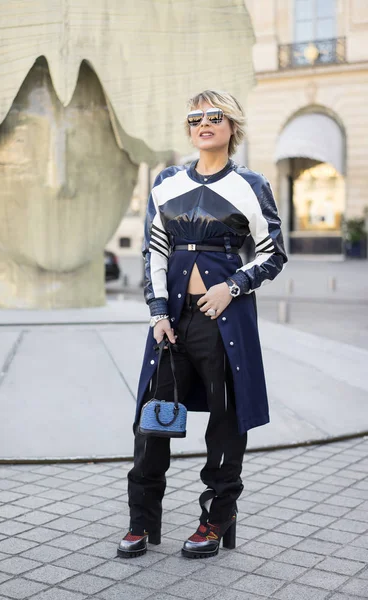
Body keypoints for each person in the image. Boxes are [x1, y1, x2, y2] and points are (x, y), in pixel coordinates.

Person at [117, 90, 287, 559]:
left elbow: (273, 254)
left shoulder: (251, 184)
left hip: (224, 323)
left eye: (215, 117)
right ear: (188, 128)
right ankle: (140, 521)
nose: (204, 124)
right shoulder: (167, 181)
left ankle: (215, 520)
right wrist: (157, 314)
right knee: (152, 425)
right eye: (195, 118)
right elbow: (154, 252)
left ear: (232, 126)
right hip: (173, 323)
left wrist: (231, 287)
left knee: (225, 422)